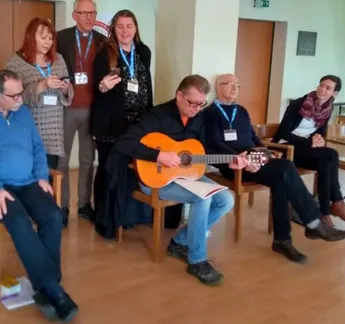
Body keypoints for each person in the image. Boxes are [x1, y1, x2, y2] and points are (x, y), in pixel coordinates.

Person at [0, 70, 78, 322]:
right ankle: (53, 289)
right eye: (13, 96)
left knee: (53, 216)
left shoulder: (22, 113)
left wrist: (42, 176)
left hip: (26, 182)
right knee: (19, 220)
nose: (21, 100)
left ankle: (47, 286)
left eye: (21, 93)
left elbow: (37, 147)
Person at [203, 74, 345, 264]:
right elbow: (214, 142)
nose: (235, 88)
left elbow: (253, 137)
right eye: (230, 84)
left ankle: (282, 240)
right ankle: (313, 222)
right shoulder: (209, 113)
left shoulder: (240, 110)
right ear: (218, 87)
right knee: (286, 168)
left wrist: (264, 151)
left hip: (254, 157)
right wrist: (241, 158)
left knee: (282, 177)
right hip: (233, 162)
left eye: (238, 85)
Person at [110, 75, 235, 286]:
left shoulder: (199, 117)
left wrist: (233, 160)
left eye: (201, 104)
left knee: (226, 200)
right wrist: (158, 156)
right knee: (202, 198)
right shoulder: (157, 116)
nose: (197, 109)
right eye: (192, 103)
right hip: (157, 180)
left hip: (188, 175)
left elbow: (206, 150)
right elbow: (125, 142)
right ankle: (196, 260)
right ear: (179, 95)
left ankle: (180, 241)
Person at [272, 75, 345, 224]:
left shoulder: (327, 108)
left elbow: (320, 130)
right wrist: (309, 141)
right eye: (321, 85)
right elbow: (283, 132)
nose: (322, 90)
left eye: (328, 88)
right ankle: (336, 203)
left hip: (305, 148)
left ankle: (324, 212)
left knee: (326, 163)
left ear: (335, 93)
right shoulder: (299, 104)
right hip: (286, 146)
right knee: (331, 154)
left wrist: (318, 138)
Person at [90, 9, 153, 220]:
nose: (125, 30)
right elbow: (97, 87)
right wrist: (103, 86)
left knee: (133, 170)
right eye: (120, 26)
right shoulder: (105, 53)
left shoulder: (144, 51)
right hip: (111, 123)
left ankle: (127, 216)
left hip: (139, 125)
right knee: (109, 168)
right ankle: (104, 217)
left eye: (129, 26)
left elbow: (145, 84)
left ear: (136, 29)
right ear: (113, 29)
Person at [56, 0, 105, 224]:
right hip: (65, 109)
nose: (88, 17)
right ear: (74, 15)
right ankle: (62, 206)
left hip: (93, 109)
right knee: (62, 160)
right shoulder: (60, 38)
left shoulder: (103, 41)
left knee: (87, 160)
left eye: (92, 13)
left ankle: (84, 204)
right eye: (83, 13)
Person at [5, 17, 73, 175]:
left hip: (53, 131)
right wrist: (43, 85)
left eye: (50, 38)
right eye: (43, 37)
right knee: (29, 178)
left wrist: (65, 88)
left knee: (50, 178)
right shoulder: (15, 63)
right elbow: (11, 99)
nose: (47, 42)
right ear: (30, 36)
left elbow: (67, 95)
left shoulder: (58, 60)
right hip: (27, 131)